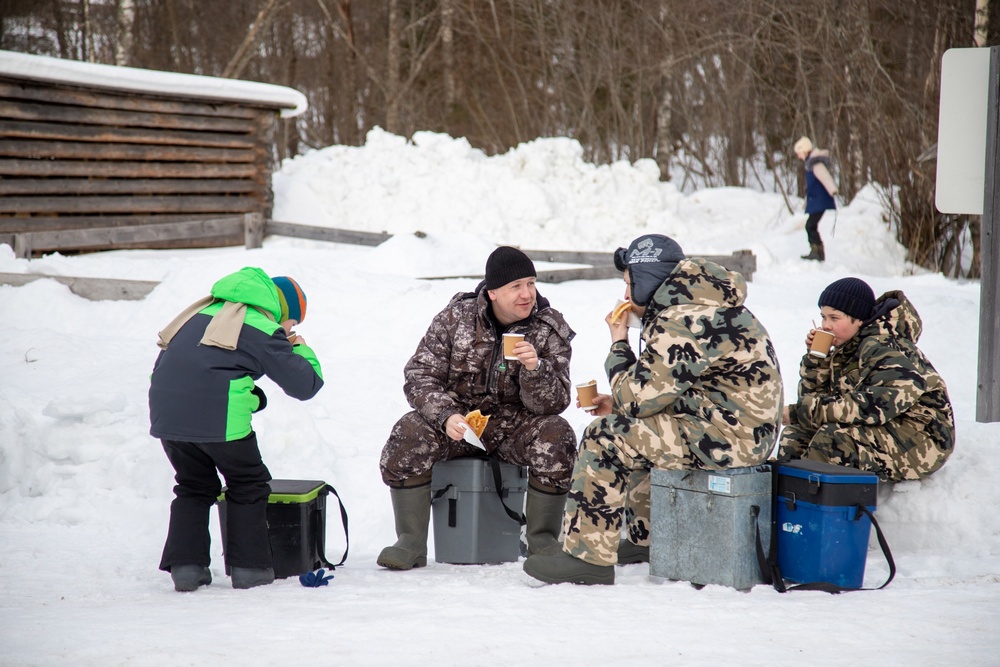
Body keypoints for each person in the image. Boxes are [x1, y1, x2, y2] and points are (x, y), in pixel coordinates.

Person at [523, 234, 783, 585]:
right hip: (735, 429)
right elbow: (671, 389)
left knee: (606, 437)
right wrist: (619, 403)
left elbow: (636, 397)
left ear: (647, 282)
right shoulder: (703, 303)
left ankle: (587, 558)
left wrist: (618, 342)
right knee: (634, 423)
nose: (626, 295)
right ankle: (649, 540)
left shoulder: (680, 319)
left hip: (729, 440)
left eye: (629, 284)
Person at [377, 246, 578, 570]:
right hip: (459, 425)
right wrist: (445, 416)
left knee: (557, 434)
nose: (527, 294)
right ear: (494, 292)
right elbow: (419, 375)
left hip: (515, 428)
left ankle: (541, 541)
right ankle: (411, 542)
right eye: (516, 286)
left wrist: (534, 370)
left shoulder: (548, 328)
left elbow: (554, 404)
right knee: (409, 431)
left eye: (531, 283)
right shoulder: (456, 319)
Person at [149, 267, 324, 592]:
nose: (290, 328)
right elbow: (306, 384)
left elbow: (204, 366)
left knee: (193, 485)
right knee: (248, 483)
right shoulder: (261, 326)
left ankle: (186, 570)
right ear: (281, 310)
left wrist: (248, 396)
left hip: (166, 416)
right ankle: (250, 570)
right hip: (215, 416)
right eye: (294, 322)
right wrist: (298, 347)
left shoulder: (202, 312)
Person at [778, 277, 955, 482]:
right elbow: (818, 400)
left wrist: (801, 411)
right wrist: (818, 360)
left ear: (859, 319)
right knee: (795, 435)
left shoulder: (885, 346)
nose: (825, 325)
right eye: (823, 317)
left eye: (834, 318)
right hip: (883, 427)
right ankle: (790, 505)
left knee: (834, 440)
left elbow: (875, 406)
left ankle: (818, 507)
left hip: (921, 438)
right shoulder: (848, 348)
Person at [794, 136, 839, 262]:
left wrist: (833, 189)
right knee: (811, 226)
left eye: (799, 153)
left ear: (804, 150)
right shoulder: (810, 163)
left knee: (810, 225)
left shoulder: (815, 163)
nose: (798, 156)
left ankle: (816, 252)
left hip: (820, 201)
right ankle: (818, 252)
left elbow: (825, 177)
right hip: (816, 201)